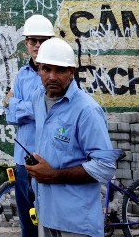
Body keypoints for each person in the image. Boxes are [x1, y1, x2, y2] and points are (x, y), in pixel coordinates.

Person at [24, 38, 119, 237]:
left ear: (71, 72)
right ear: (38, 69)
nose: (52, 77)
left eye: (60, 70)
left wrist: (54, 175)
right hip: (45, 213)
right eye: (46, 69)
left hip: (76, 222)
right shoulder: (37, 99)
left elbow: (105, 167)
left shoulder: (87, 110)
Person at [5, 15, 55, 237]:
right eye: (32, 40)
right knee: (27, 222)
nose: (36, 45)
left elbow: (50, 110)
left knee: (50, 221)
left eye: (41, 40)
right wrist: (22, 108)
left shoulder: (56, 74)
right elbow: (10, 115)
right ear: (26, 43)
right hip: (22, 159)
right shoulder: (21, 76)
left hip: (47, 159)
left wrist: (15, 102)